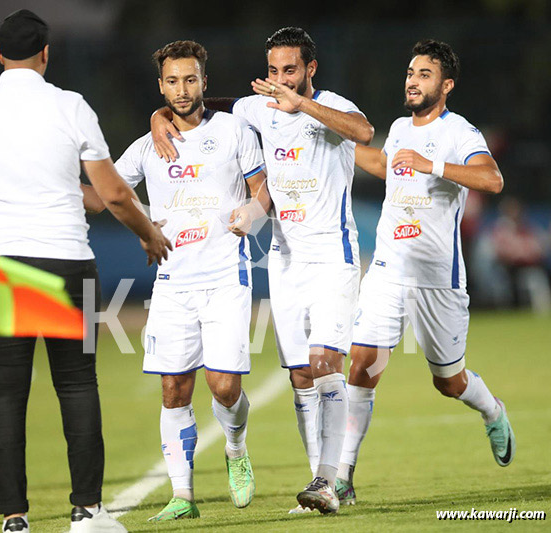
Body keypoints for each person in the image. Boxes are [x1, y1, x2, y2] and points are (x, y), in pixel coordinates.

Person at [0, 10, 171, 533]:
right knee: (76, 385)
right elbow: (113, 192)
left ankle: (14, 517)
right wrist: (147, 232)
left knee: (4, 391)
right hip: (67, 258)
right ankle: (87, 510)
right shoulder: (70, 106)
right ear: (46, 54)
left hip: (0, 262)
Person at [151, 27, 374, 514]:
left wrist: (302, 105)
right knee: (298, 375)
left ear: (310, 69)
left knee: (324, 364)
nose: (279, 80)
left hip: (332, 255)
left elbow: (363, 132)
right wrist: (159, 115)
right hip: (285, 258)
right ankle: (321, 483)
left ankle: (330, 480)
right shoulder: (255, 109)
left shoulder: (331, 105)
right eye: (272, 71)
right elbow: (201, 105)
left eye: (289, 71)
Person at [336, 39, 514, 504]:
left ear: (446, 85)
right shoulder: (397, 127)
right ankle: (343, 477)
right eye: (411, 73)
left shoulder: (460, 132)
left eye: (424, 74)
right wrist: (336, 147)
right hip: (389, 268)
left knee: (448, 382)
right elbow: (384, 162)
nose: (412, 81)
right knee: (361, 366)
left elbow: (492, 179)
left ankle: (492, 410)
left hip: (438, 278)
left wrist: (432, 164)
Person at [113, 40, 270, 522]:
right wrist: (143, 224)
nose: (182, 90)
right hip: (173, 283)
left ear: (205, 80)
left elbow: (263, 189)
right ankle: (182, 495)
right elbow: (108, 193)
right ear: (160, 86)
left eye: (190, 79)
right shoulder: (147, 145)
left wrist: (254, 214)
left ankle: (236, 447)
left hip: (226, 275)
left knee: (224, 388)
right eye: (172, 81)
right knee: (173, 390)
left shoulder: (234, 131)